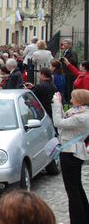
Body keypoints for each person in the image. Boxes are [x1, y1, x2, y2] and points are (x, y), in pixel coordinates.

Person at [51, 89, 89, 224]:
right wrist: (60, 106)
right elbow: (64, 121)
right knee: (76, 187)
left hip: (71, 153)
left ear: (80, 100)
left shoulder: (82, 116)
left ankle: (78, 220)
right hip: (71, 151)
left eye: (73, 98)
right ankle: (84, 216)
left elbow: (58, 123)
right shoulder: (79, 112)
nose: (71, 101)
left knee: (72, 190)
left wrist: (56, 105)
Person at [60, 39, 78, 103]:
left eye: (65, 43)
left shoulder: (72, 52)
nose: (63, 44)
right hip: (65, 72)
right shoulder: (65, 51)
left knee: (69, 87)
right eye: (63, 43)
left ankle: (69, 100)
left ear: (69, 45)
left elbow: (74, 61)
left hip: (70, 73)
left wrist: (65, 60)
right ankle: (66, 99)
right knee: (66, 86)